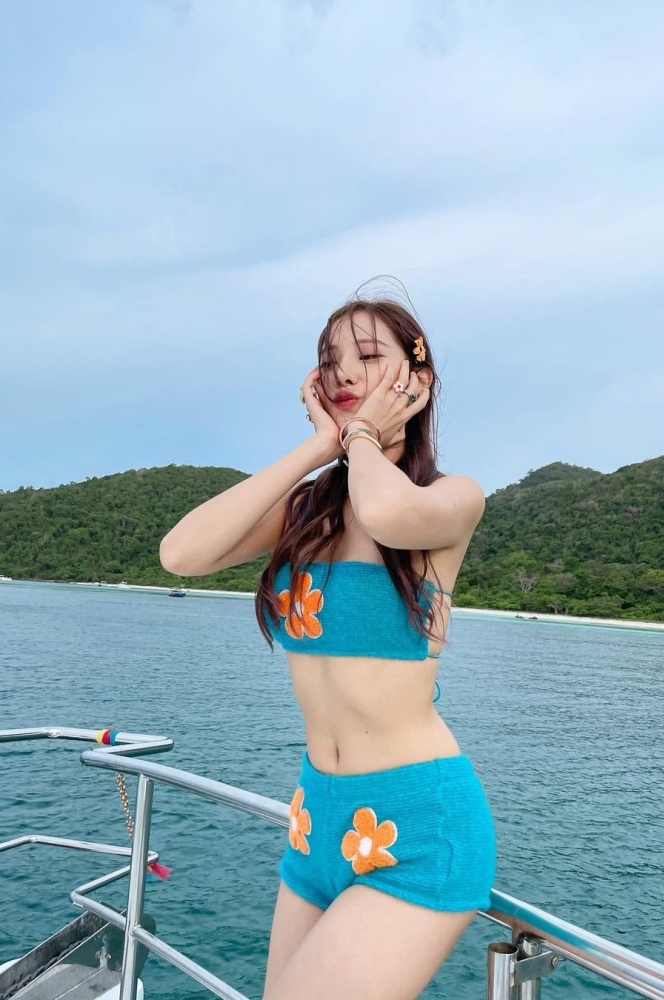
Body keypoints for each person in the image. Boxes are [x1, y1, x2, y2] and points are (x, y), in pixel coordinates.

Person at [159, 293, 496, 1000]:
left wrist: (362, 436)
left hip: (417, 823)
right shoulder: (306, 512)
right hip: (316, 821)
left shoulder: (452, 497)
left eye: (368, 357)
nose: (343, 373)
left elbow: (385, 512)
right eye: (329, 360)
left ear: (418, 380)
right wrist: (321, 446)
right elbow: (181, 554)